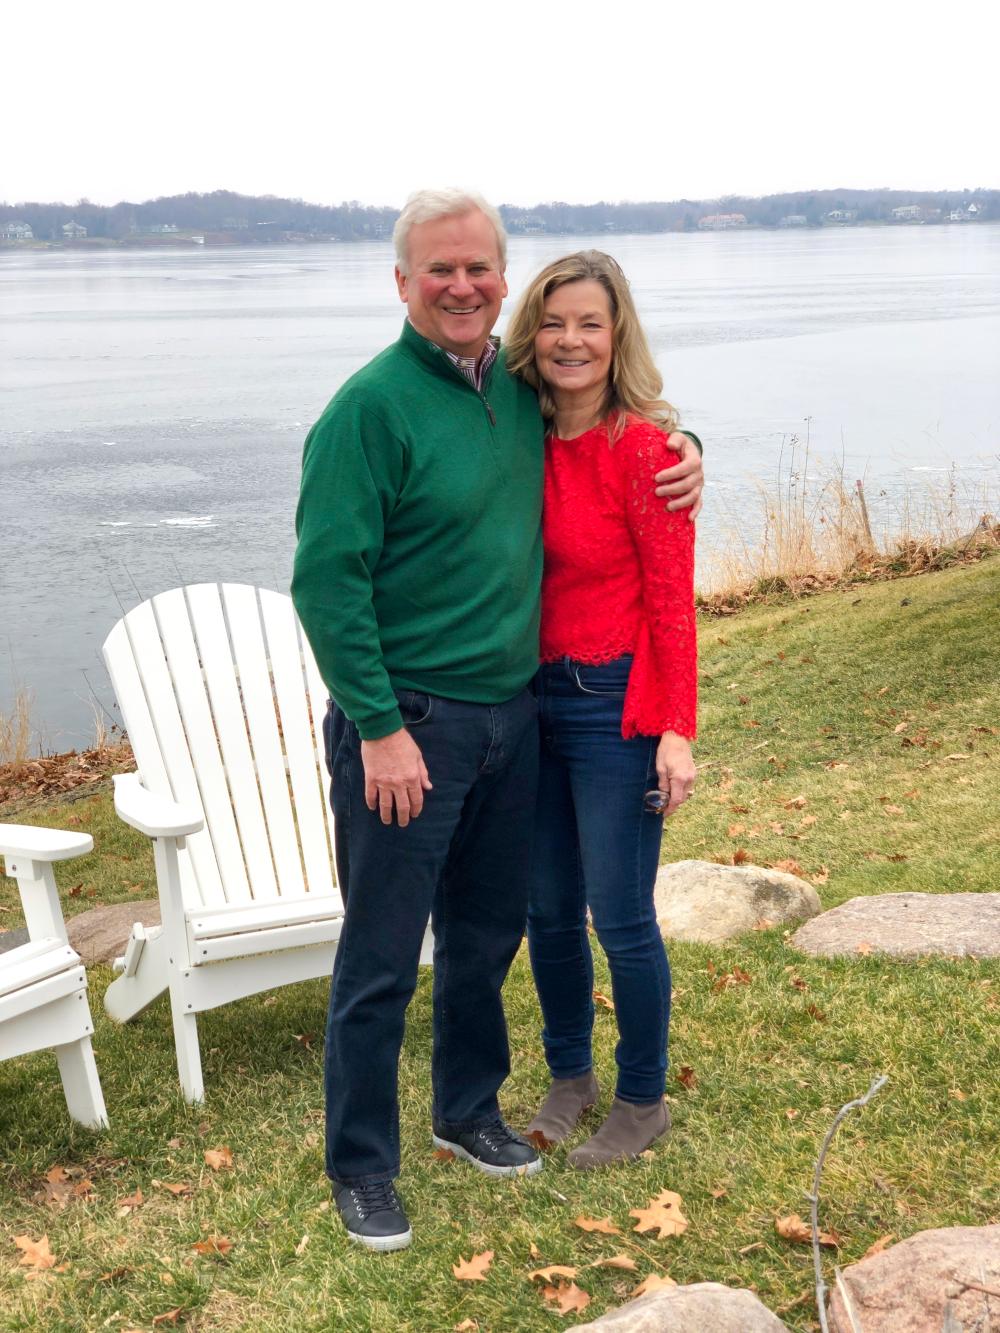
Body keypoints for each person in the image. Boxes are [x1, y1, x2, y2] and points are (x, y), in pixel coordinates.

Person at [292, 192, 703, 1251]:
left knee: (485, 938)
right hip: (408, 730)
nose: (463, 285)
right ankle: (363, 1166)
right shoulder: (369, 409)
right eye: (440, 270)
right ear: (402, 282)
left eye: (479, 268)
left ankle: (468, 1109)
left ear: (501, 280)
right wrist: (377, 726)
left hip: (515, 718)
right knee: (382, 956)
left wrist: (685, 446)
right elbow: (327, 582)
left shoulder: (516, 393)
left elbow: (611, 421)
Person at [504, 250, 697, 1168]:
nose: (570, 340)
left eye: (589, 322)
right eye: (553, 322)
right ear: (529, 334)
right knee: (547, 910)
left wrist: (677, 728)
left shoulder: (650, 453)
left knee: (619, 914)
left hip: (613, 704)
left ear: (616, 334)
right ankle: (570, 1077)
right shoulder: (515, 432)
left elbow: (672, 601)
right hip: (524, 703)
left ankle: (643, 1096)